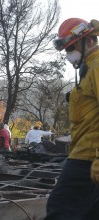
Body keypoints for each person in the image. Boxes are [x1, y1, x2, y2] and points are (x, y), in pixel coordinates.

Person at [45, 18, 99, 219]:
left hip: (88, 157)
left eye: (72, 47)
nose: (69, 54)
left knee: (60, 209)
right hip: (84, 154)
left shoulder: (97, 67)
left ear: (89, 40)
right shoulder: (88, 68)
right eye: (67, 50)